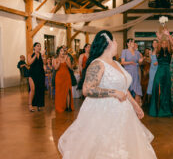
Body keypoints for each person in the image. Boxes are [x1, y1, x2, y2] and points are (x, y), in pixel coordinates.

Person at [58, 30, 157, 159]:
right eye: (115, 41)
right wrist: (113, 92)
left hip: (124, 116)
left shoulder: (116, 63)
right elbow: (87, 90)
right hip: (103, 114)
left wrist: (135, 105)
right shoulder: (97, 64)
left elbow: (123, 88)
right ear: (109, 43)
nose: (117, 43)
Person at [148, 36, 173, 117]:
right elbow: (153, 53)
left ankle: (165, 110)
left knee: (166, 90)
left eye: (165, 43)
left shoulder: (170, 51)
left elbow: (171, 46)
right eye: (163, 43)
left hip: (167, 71)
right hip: (159, 70)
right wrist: (159, 40)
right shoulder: (157, 51)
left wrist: (169, 39)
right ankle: (155, 110)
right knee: (156, 87)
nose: (164, 44)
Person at [121, 39, 144, 106]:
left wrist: (142, 59)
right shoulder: (124, 51)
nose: (133, 43)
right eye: (131, 42)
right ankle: (128, 108)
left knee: (137, 91)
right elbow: (122, 62)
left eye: (133, 42)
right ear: (128, 44)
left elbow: (140, 61)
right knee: (128, 90)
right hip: (128, 72)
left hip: (135, 72)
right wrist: (130, 62)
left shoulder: (137, 52)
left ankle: (136, 109)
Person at [53, 46, 74, 112]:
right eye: (61, 51)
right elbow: (56, 68)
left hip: (66, 76)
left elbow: (70, 67)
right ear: (58, 52)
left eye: (64, 51)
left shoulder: (67, 58)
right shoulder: (54, 59)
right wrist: (59, 62)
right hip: (59, 77)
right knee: (60, 92)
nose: (63, 52)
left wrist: (66, 60)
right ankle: (61, 106)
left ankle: (68, 107)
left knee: (67, 91)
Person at [27, 42, 46, 112]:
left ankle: (39, 105)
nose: (39, 47)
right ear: (34, 47)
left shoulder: (42, 55)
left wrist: (43, 56)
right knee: (33, 89)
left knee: (39, 90)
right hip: (32, 74)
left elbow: (44, 63)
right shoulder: (30, 54)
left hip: (40, 74)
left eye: (40, 46)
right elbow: (29, 62)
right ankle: (30, 105)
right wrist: (35, 55)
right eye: (38, 46)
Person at [146, 40, 158, 105]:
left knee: (156, 83)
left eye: (156, 42)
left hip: (158, 68)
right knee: (151, 83)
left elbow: (162, 59)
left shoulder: (159, 50)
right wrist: (149, 56)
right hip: (152, 69)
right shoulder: (151, 50)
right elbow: (150, 60)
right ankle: (149, 101)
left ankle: (156, 100)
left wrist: (158, 62)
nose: (154, 44)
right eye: (153, 42)